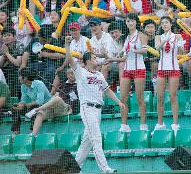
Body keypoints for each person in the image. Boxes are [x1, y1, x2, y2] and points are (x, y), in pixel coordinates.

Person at [65, 36, 125, 173]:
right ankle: (105, 169)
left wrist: (119, 102)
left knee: (86, 144)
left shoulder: (99, 74)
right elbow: (69, 60)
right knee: (96, 139)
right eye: (94, 58)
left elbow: (108, 90)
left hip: (98, 111)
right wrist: (67, 45)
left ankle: (73, 169)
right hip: (87, 108)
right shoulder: (81, 72)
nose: (96, 60)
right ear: (87, 61)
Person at [154, 16, 185, 134]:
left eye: (166, 22)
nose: (164, 25)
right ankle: (160, 123)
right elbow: (157, 48)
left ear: (171, 24)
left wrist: (180, 45)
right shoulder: (158, 37)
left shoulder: (177, 36)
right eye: (162, 23)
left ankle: (175, 124)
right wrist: (165, 39)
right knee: (160, 97)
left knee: (173, 96)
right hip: (162, 68)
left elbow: (182, 51)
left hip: (173, 68)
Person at [119, 14, 149, 132]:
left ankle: (143, 125)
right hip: (127, 69)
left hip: (139, 68)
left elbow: (146, 51)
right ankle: (124, 125)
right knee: (123, 98)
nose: (130, 23)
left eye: (132, 21)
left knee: (139, 97)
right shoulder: (126, 37)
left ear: (136, 22)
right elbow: (123, 54)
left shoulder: (142, 35)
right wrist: (115, 56)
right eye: (127, 21)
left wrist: (135, 50)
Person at [27, 68, 78, 136]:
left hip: (67, 109)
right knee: (40, 113)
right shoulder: (63, 85)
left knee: (57, 99)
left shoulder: (79, 85)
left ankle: (37, 109)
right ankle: (33, 135)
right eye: (68, 73)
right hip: (55, 109)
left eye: (72, 73)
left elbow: (75, 99)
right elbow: (55, 96)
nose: (70, 75)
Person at [11, 68, 51, 135]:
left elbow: (40, 101)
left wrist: (25, 105)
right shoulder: (23, 86)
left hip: (45, 107)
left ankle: (32, 132)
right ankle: (16, 132)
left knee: (35, 108)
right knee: (15, 109)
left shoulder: (39, 84)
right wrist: (20, 105)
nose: (18, 78)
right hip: (32, 106)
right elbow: (23, 100)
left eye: (20, 76)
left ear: (25, 78)